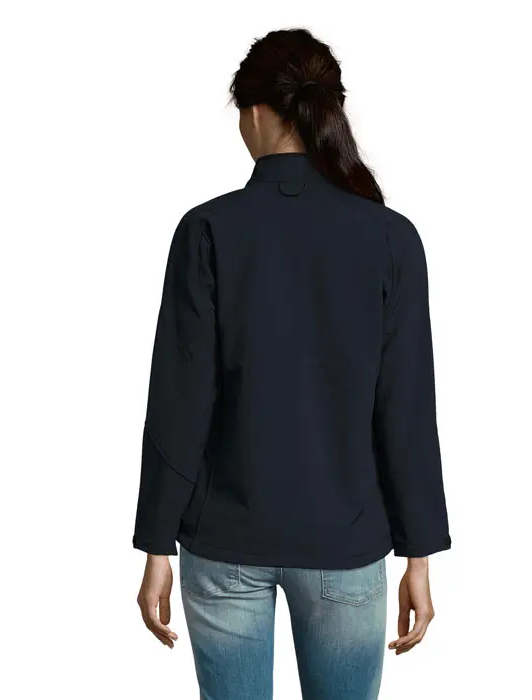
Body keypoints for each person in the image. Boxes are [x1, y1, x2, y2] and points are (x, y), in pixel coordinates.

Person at [133, 27, 451, 700]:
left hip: (224, 541)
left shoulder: (208, 231)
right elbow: (406, 409)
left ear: (254, 112)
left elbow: (179, 400)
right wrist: (419, 555)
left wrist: (157, 542)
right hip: (346, 543)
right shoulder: (390, 238)